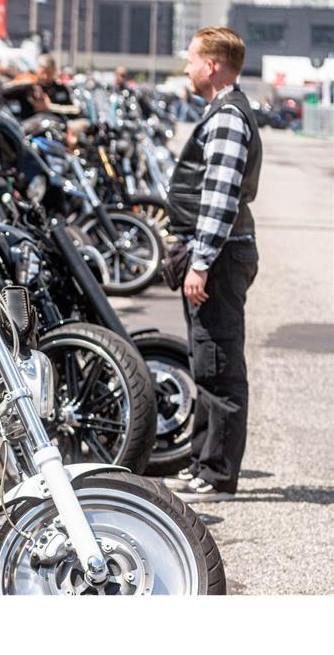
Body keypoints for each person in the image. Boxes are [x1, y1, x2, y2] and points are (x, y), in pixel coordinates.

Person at [163, 27, 262, 503]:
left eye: (191, 60)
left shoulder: (227, 117)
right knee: (207, 358)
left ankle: (218, 475)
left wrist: (200, 262)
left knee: (219, 362)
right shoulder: (221, 112)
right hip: (219, 255)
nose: (186, 67)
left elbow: (220, 198)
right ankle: (204, 461)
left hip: (219, 259)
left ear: (213, 65)